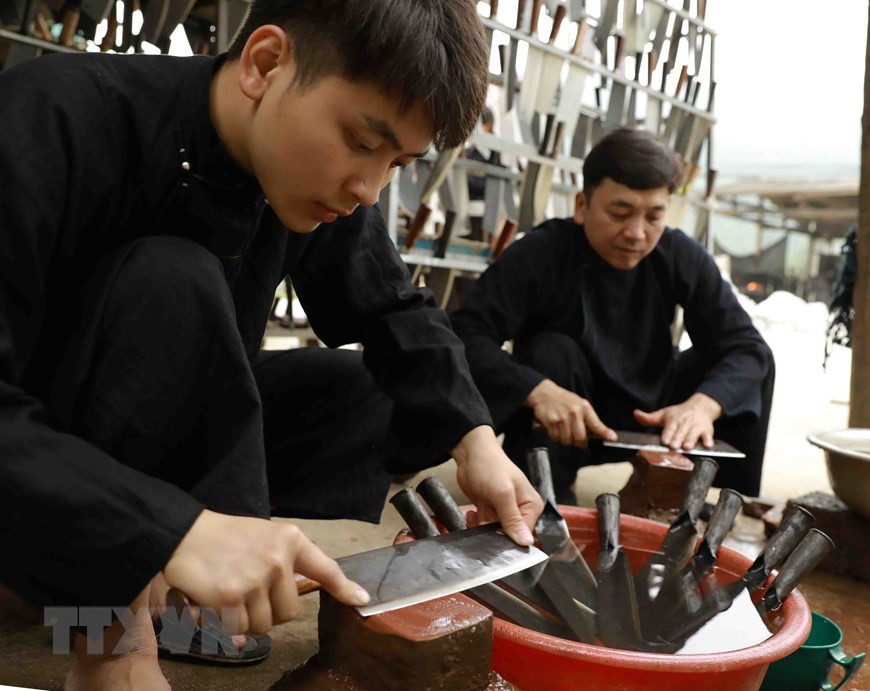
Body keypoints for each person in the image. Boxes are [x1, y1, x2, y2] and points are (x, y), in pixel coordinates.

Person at [0, 1, 544, 688]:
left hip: (131, 437)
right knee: (172, 280)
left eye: (398, 162)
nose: (369, 188)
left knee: (367, 392)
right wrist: (177, 528)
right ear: (264, 63)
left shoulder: (313, 176)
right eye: (362, 140)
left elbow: (391, 308)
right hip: (32, 468)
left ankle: (167, 589)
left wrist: (477, 442)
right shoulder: (52, 120)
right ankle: (109, 640)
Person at [451, 128, 774, 505]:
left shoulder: (680, 255)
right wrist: (536, 389)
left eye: (653, 216)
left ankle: (728, 502)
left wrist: (702, 406)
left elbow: (746, 348)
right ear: (581, 206)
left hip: (656, 414)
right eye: (620, 213)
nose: (637, 233)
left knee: (749, 363)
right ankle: (545, 494)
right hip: (569, 415)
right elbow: (465, 334)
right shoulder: (542, 251)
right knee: (550, 351)